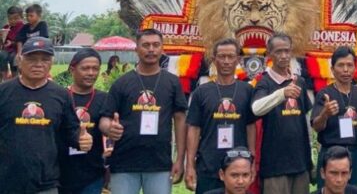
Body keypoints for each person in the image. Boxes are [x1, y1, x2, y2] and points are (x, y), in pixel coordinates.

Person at [99, 29, 188, 194]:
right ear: (136, 49)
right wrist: (109, 128)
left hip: (159, 163)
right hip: (124, 162)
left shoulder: (172, 83)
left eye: (156, 45)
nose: (151, 49)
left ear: (162, 49)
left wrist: (180, 159)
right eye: (146, 45)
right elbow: (104, 118)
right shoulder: (121, 83)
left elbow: (180, 120)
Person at [0, 37, 92, 194]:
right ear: (20, 60)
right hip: (7, 181)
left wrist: (82, 140)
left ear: (52, 63)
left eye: (45, 59)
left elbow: (71, 132)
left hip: (46, 182)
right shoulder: (4, 92)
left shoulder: (61, 95)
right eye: (31, 59)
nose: (38, 64)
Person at [186, 38, 257, 194]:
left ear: (238, 60)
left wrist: (252, 160)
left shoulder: (247, 90)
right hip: (208, 165)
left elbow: (251, 127)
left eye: (231, 56)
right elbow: (194, 129)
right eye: (222, 56)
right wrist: (190, 165)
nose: (226, 61)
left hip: (238, 167)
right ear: (214, 59)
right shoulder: (201, 92)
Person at [251, 33, 312, 194]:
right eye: (278, 52)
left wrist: (309, 159)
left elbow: (305, 122)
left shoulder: (299, 82)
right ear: (269, 54)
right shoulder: (264, 81)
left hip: (300, 163)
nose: (284, 56)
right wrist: (282, 94)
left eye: (287, 51)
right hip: (274, 166)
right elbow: (256, 108)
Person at [312, 47, 357, 187]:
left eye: (349, 65)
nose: (346, 70)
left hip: (355, 154)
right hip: (331, 155)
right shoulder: (324, 94)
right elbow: (316, 127)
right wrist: (325, 114)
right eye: (341, 65)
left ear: (355, 68)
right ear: (332, 69)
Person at [58, 48, 109, 194]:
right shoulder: (59, 97)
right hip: (60, 174)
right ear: (72, 69)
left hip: (92, 175)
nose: (91, 73)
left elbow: (108, 129)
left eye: (95, 69)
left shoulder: (104, 99)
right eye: (85, 68)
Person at [0, 6, 23, 79]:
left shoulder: (23, 27)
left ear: (21, 17)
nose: (13, 21)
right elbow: (3, 42)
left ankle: (15, 77)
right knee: (2, 55)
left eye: (16, 18)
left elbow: (24, 40)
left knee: (13, 58)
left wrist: (12, 43)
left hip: (18, 50)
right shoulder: (6, 27)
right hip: (7, 49)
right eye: (10, 19)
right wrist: (1, 38)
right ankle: (4, 78)